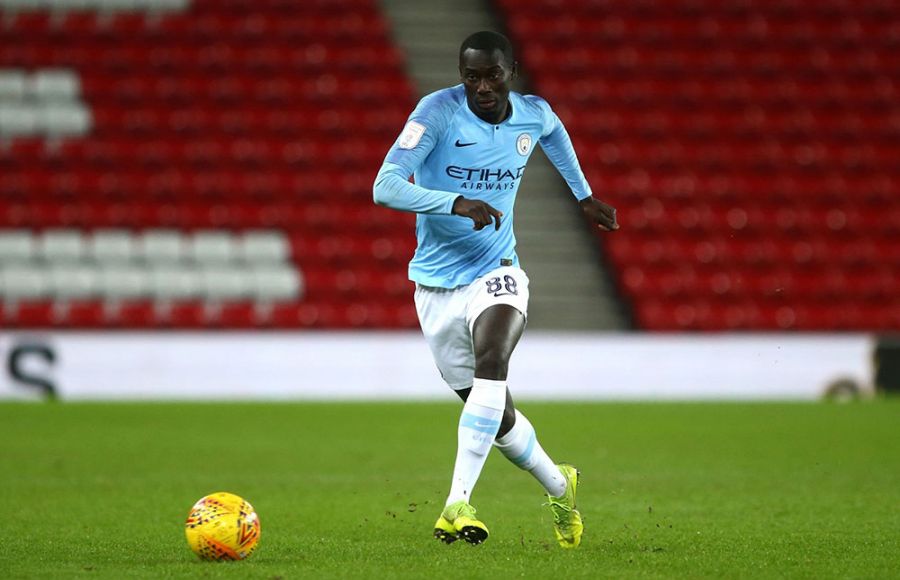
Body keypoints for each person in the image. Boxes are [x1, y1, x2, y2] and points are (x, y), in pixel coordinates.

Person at [372, 31, 618, 548]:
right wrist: (453, 201)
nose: (482, 86)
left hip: (497, 268)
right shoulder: (436, 112)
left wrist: (585, 196)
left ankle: (456, 503)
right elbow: (384, 186)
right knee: (496, 416)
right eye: (471, 76)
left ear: (512, 71)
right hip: (436, 285)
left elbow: (553, 133)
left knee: (493, 361)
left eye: (492, 75)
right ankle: (559, 484)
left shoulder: (533, 112)